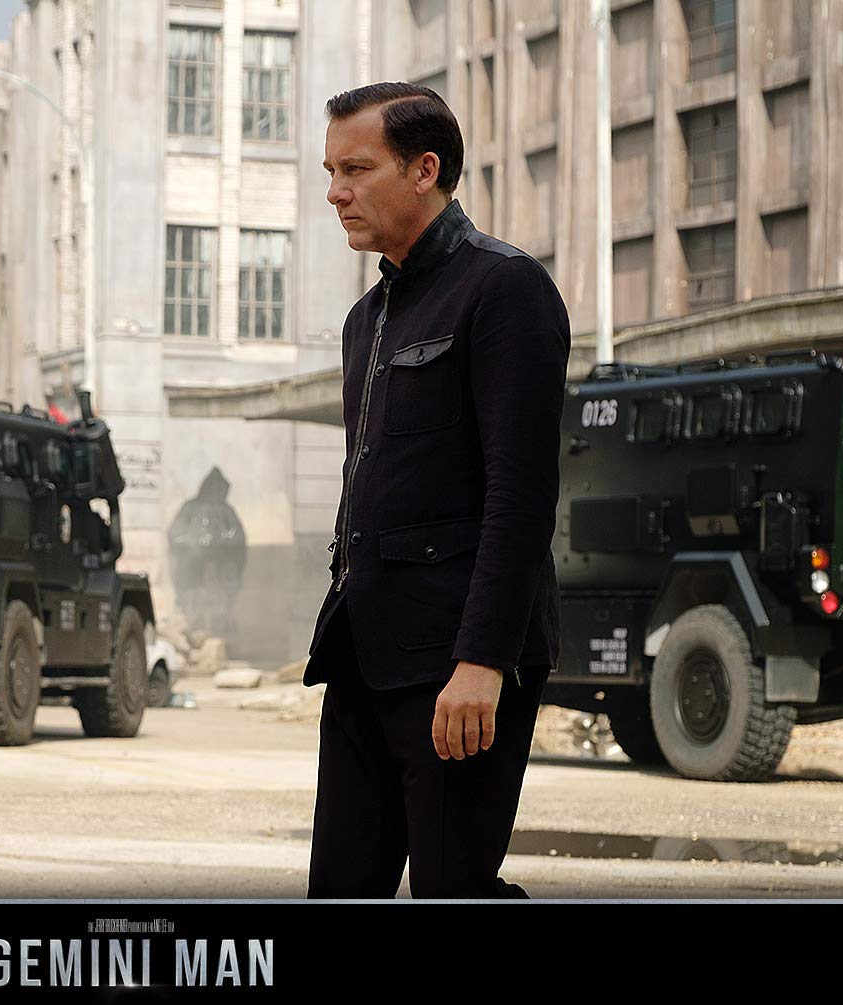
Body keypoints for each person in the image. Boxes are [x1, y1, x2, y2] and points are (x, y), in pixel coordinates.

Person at [304, 82, 571, 899]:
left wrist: (482, 659)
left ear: (424, 170)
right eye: (330, 171)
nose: (335, 191)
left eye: (356, 169)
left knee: (454, 888)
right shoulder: (366, 319)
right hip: (364, 655)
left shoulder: (505, 289)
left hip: (457, 663)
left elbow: (521, 495)